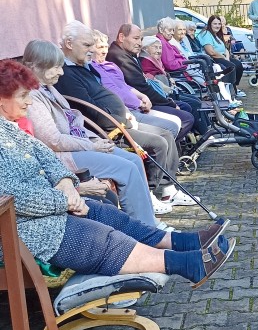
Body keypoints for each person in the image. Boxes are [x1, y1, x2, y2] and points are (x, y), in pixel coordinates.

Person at [0, 59, 234, 287]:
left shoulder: (11, 129)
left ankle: (184, 242)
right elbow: (13, 196)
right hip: (15, 232)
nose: (29, 102)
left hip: (41, 212)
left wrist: (66, 184)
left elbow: (48, 159)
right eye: (23, 96)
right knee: (95, 236)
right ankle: (186, 264)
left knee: (104, 213)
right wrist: (66, 200)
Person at [53, 21, 193, 209]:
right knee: (159, 143)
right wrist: (122, 120)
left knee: (166, 134)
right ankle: (149, 193)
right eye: (87, 45)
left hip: (122, 120)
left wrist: (126, 112)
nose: (92, 50)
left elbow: (106, 94)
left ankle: (168, 189)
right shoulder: (68, 74)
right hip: (109, 130)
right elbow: (89, 110)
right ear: (69, 44)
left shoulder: (84, 67)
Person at [22, 39, 161, 226]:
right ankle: (145, 229)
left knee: (134, 159)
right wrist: (92, 145)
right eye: (55, 67)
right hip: (64, 155)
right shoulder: (33, 97)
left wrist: (95, 140)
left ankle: (147, 219)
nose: (61, 72)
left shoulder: (48, 88)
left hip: (79, 145)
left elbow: (71, 123)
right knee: (126, 169)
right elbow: (53, 140)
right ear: (35, 67)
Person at [106, 23, 197, 139]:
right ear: (122, 37)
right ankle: (167, 151)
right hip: (138, 106)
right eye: (135, 38)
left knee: (186, 106)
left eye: (141, 39)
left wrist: (169, 102)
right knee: (186, 118)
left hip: (144, 100)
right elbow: (141, 87)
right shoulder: (120, 58)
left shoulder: (126, 54)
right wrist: (170, 103)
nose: (139, 43)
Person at [89, 30, 182, 140]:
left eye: (106, 47)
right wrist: (139, 103)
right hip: (126, 112)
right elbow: (114, 90)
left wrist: (143, 97)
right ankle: (156, 155)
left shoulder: (109, 65)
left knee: (178, 119)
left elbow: (125, 85)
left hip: (137, 105)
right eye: (100, 47)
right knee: (172, 126)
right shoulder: (94, 68)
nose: (105, 51)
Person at [197, 15, 245, 97]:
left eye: (219, 24)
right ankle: (229, 94)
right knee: (231, 67)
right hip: (213, 59)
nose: (217, 26)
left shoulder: (216, 35)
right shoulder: (206, 34)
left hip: (222, 57)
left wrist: (227, 57)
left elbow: (225, 48)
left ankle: (234, 88)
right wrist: (223, 57)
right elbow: (211, 52)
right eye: (215, 24)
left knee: (238, 65)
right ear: (210, 24)